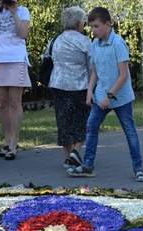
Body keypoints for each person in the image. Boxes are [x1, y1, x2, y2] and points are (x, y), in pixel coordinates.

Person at [67, 7, 143, 182]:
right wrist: (89, 91)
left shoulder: (118, 44)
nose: (93, 30)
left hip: (120, 97)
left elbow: (124, 75)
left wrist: (109, 97)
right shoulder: (95, 44)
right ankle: (88, 166)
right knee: (91, 126)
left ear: (107, 24)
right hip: (101, 94)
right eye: (91, 27)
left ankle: (139, 168)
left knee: (130, 131)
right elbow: (94, 71)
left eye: (96, 26)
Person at [0, 0, 31, 160]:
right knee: (2, 103)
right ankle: (7, 140)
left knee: (15, 102)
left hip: (16, 58)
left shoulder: (23, 11)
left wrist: (14, 12)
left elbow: (23, 33)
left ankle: (14, 142)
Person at [48, 6, 92, 170]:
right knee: (83, 122)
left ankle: (68, 159)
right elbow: (91, 66)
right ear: (80, 24)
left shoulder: (56, 40)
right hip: (79, 86)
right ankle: (76, 151)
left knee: (64, 122)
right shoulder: (84, 41)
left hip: (58, 85)